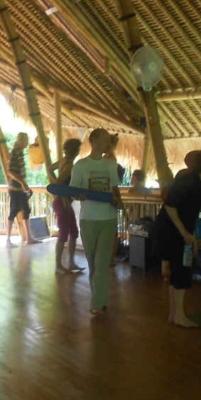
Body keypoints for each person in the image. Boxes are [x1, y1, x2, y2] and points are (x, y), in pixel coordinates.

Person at [156, 153, 201, 328]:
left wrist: (192, 236)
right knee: (182, 271)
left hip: (178, 232)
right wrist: (185, 234)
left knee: (178, 272)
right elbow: (170, 206)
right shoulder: (189, 182)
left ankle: (174, 314)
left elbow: (188, 214)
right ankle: (179, 316)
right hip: (172, 232)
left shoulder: (196, 182)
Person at [70, 129, 123, 315]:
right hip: (88, 220)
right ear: (93, 141)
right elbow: (73, 191)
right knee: (93, 263)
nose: (107, 143)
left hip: (108, 218)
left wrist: (119, 202)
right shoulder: (81, 166)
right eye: (104, 140)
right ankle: (98, 298)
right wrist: (79, 194)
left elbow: (115, 189)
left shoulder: (110, 164)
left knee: (101, 263)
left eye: (108, 140)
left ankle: (97, 303)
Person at [52, 138, 85, 274]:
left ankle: (70, 262)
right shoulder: (70, 165)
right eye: (78, 149)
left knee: (73, 232)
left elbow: (49, 169)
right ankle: (58, 265)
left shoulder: (63, 161)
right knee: (63, 234)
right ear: (75, 150)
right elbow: (59, 183)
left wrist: (54, 183)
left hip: (62, 201)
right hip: (62, 202)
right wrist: (64, 196)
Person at [5, 132, 39, 247]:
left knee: (26, 210)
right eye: (25, 141)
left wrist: (24, 184)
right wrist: (22, 182)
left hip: (20, 188)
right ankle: (8, 240)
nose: (27, 143)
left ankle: (29, 238)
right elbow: (10, 171)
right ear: (20, 141)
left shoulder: (19, 153)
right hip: (15, 188)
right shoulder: (15, 152)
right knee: (14, 211)